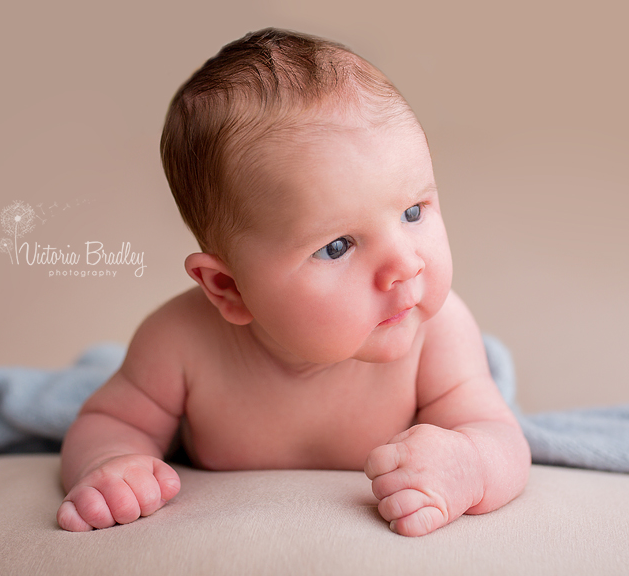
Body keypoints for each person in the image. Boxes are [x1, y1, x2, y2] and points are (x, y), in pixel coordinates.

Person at [57, 27, 530, 537]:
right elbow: (111, 423)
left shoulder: (436, 336)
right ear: (229, 289)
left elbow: (501, 438)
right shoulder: (180, 343)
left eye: (413, 211)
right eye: (337, 246)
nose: (407, 264)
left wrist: (469, 462)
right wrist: (111, 463)